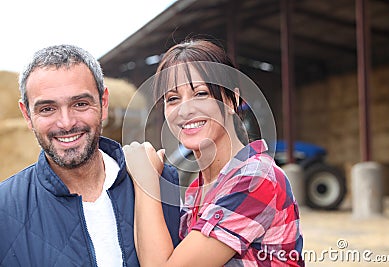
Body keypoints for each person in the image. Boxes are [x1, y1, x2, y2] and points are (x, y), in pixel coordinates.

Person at [123, 39, 305, 266]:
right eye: (172, 99)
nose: (185, 109)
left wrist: (145, 182)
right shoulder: (195, 191)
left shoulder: (256, 178)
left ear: (232, 99)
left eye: (200, 94)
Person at [0, 44, 181, 267]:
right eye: (47, 109)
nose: (66, 123)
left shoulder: (165, 183)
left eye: (80, 104)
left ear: (103, 103)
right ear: (27, 115)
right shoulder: (5, 209)